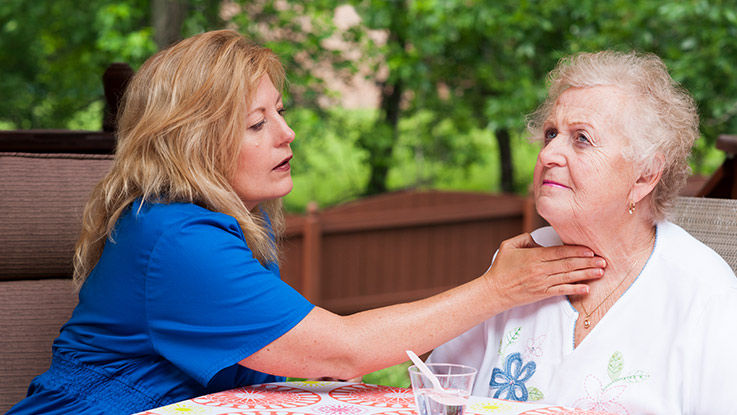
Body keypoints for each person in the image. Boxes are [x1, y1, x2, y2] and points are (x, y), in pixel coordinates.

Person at [7, 30, 605, 414]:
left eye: (280, 113)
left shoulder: (211, 224)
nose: (288, 133)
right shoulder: (175, 240)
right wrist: (500, 288)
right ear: (193, 143)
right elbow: (340, 351)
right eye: (256, 123)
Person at [428, 50, 737, 414]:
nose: (548, 155)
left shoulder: (704, 295)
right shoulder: (517, 265)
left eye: (581, 139)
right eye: (551, 134)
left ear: (644, 175)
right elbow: (437, 390)